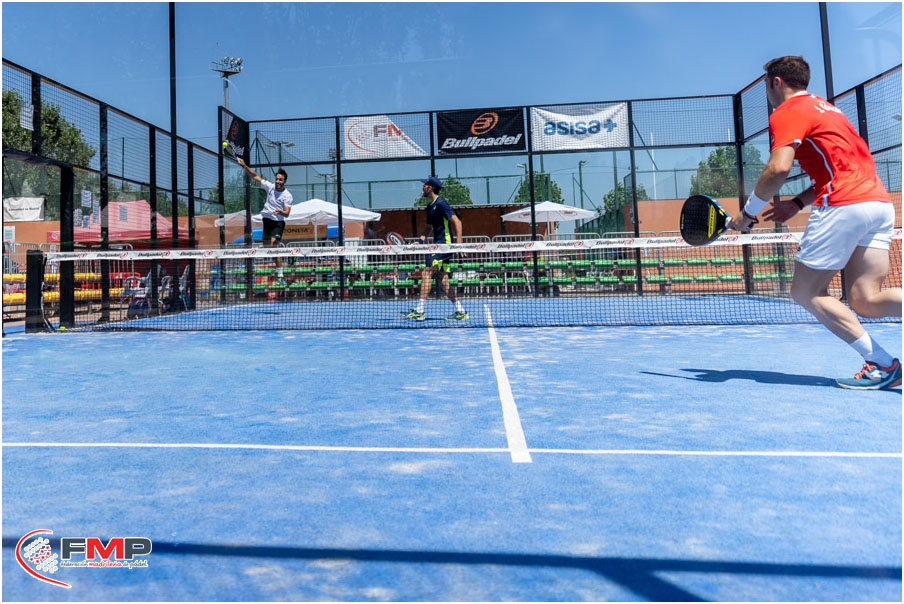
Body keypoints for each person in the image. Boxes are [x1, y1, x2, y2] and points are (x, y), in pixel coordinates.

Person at [730, 56, 900, 390]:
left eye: (766, 86)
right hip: (879, 203)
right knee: (865, 298)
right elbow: (836, 168)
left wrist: (748, 214)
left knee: (805, 292)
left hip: (844, 205)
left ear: (776, 82)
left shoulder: (788, 111)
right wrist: (796, 203)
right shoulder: (830, 111)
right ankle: (883, 366)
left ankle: (882, 364)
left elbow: (778, 168)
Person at [405, 176, 468, 321]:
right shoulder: (430, 207)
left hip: (444, 244)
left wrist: (458, 245)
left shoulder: (441, 203)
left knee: (426, 272)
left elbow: (457, 222)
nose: (422, 187)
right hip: (437, 244)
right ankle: (461, 311)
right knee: (442, 278)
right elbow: (429, 227)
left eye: (424, 185)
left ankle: (420, 310)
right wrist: (419, 241)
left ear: (430, 188)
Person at [237, 158, 293, 286]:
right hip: (267, 220)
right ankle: (286, 259)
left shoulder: (287, 196)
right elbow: (255, 176)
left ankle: (280, 275)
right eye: (277, 179)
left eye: (280, 180)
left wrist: (280, 211)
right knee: (268, 248)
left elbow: (287, 213)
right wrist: (244, 165)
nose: (278, 181)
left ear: (284, 181)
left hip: (278, 222)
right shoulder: (270, 187)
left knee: (274, 244)